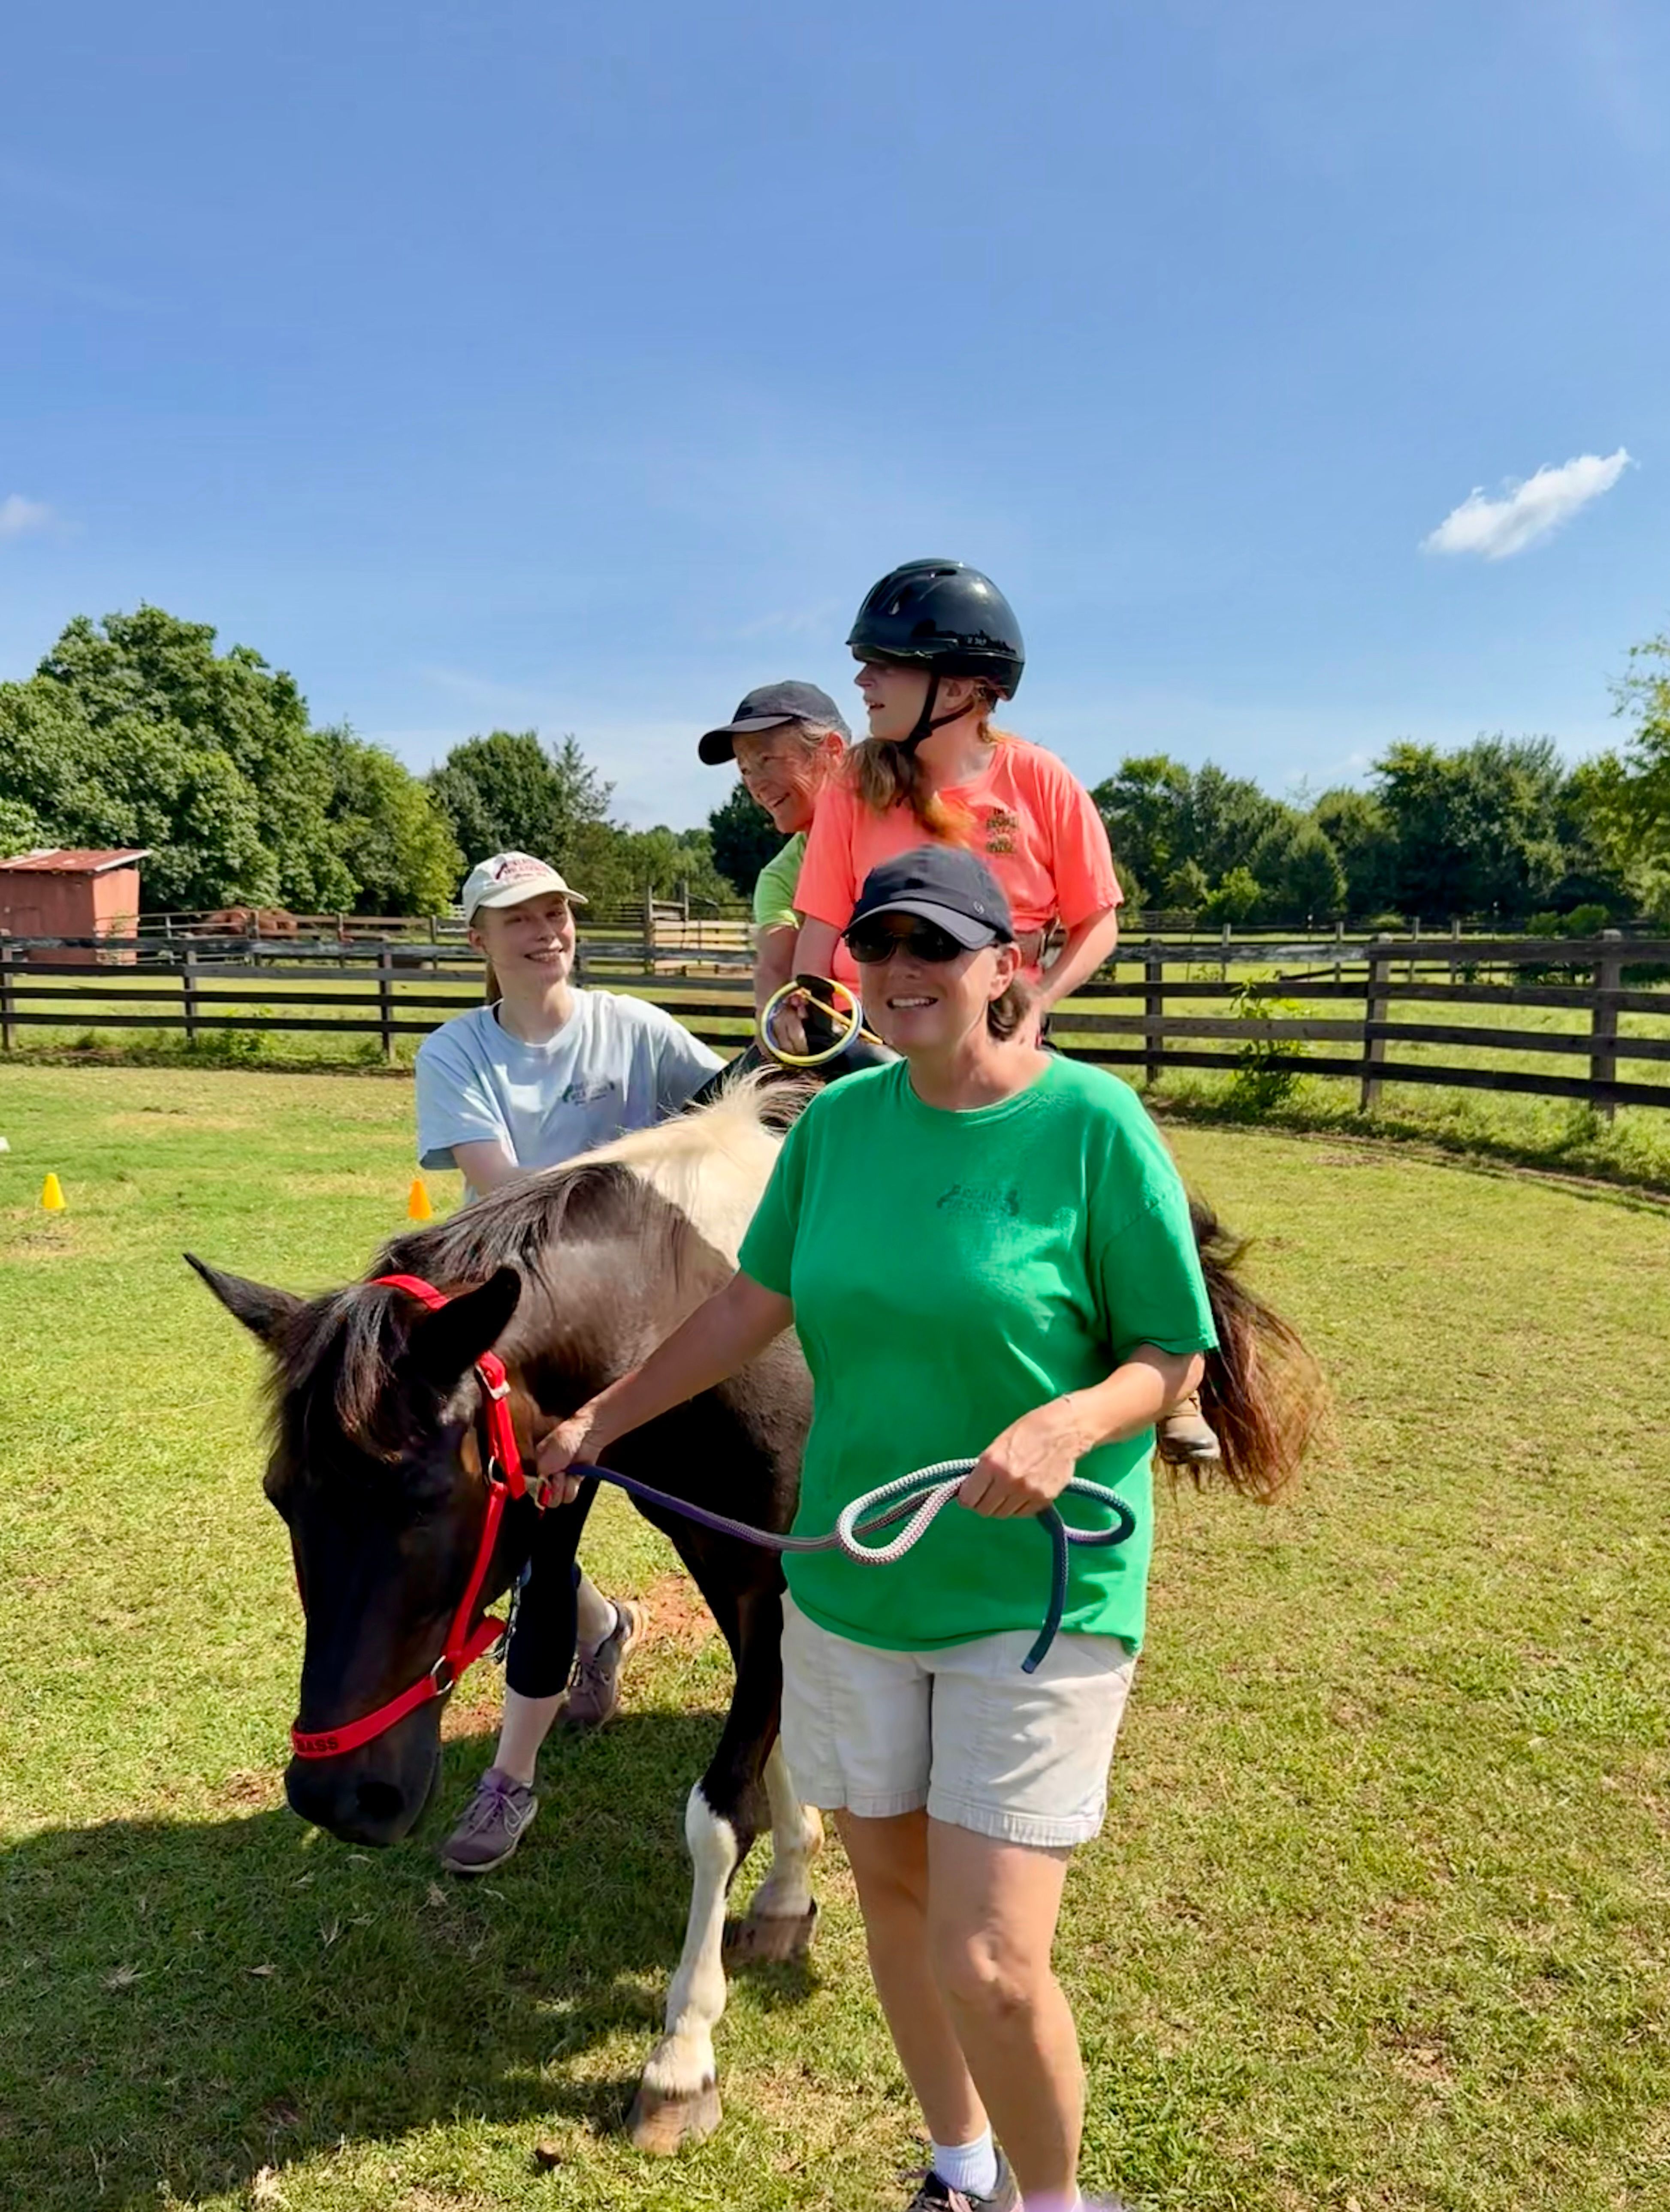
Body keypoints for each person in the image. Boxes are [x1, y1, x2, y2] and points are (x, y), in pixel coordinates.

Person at [535, 846, 1217, 2212]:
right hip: (856, 1586)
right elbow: (744, 1310)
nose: (900, 972)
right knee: (895, 1901)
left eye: (935, 947)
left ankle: (1053, 2200)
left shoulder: (1089, 1126)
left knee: (990, 1956)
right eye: (878, 946)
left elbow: (1168, 1351)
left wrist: (1069, 1425)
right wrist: (600, 1418)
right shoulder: (836, 1130)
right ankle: (956, 2166)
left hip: (1035, 1588)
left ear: (1004, 969)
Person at [414, 850, 725, 1874]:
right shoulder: (455, 1053)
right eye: (518, 917)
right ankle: (513, 1773)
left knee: (583, 1529)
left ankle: (601, 1632)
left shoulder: (632, 1026)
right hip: (525, 1342)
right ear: (479, 941)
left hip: (649, 1324)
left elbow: (727, 1100)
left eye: (556, 912)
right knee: (528, 1541)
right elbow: (505, 1200)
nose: (545, 929)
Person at [696, 679, 850, 1012]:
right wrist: (777, 1020)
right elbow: (775, 968)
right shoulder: (780, 877)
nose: (755, 785)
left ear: (832, 751)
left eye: (767, 759)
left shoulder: (905, 826)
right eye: (745, 770)